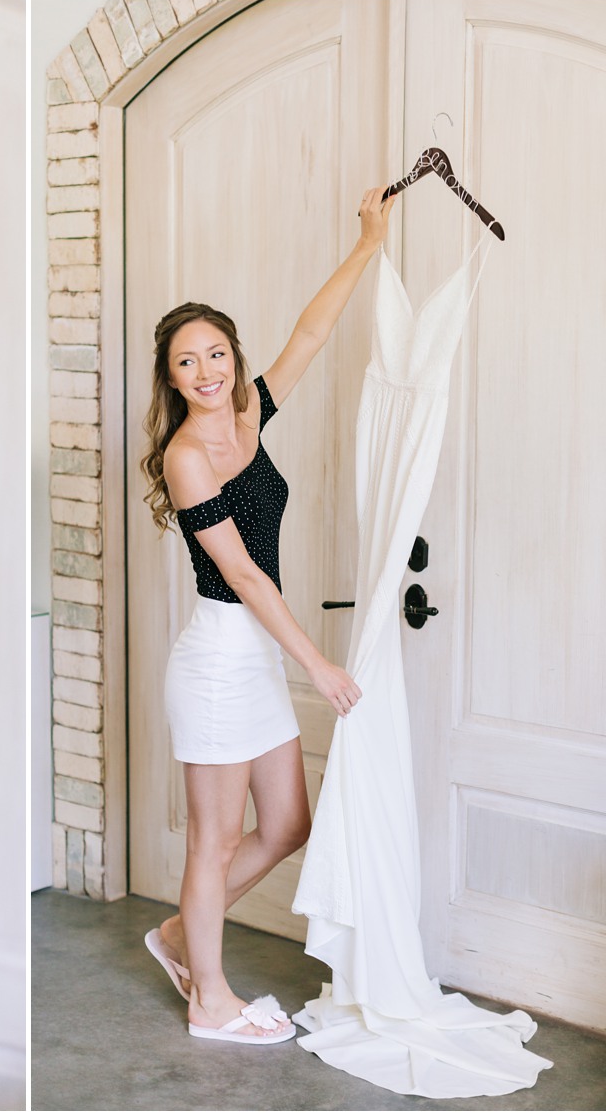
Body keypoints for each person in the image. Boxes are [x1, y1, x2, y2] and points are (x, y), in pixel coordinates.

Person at [138, 188, 393, 1045]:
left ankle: (181, 933)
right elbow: (243, 573)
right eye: (187, 363)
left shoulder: (249, 412)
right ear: (169, 380)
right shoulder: (184, 457)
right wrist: (316, 665)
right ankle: (209, 999)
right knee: (212, 842)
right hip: (218, 657)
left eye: (216, 354)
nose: (206, 372)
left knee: (288, 824)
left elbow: (311, 335)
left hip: (256, 656)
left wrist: (366, 243)